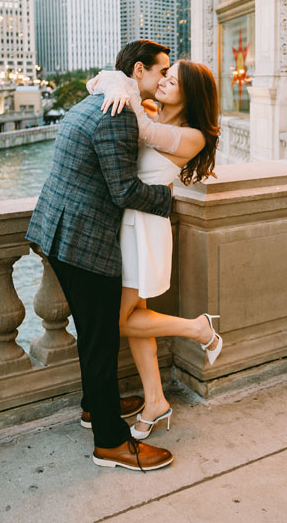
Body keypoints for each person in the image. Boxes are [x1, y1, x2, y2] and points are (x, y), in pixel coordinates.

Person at [26, 40, 177, 472]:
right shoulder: (117, 114)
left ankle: (96, 405)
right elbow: (124, 191)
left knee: (93, 334)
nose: (165, 78)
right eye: (161, 71)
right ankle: (111, 442)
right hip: (82, 241)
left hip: (60, 231)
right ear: (139, 71)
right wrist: (166, 197)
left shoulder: (100, 96)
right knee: (100, 340)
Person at [88, 58, 221, 440]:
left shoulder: (192, 135)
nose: (162, 82)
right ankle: (155, 401)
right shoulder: (152, 111)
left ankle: (198, 329)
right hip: (128, 224)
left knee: (119, 321)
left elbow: (142, 131)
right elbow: (95, 80)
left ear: (190, 93)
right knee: (136, 319)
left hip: (144, 229)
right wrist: (114, 83)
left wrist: (124, 89)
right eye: (164, 75)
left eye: (172, 80)